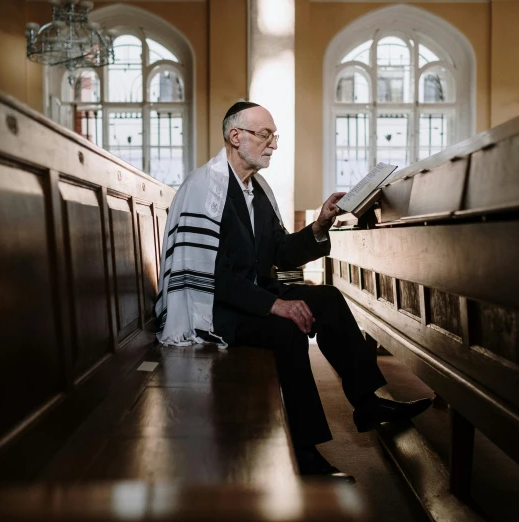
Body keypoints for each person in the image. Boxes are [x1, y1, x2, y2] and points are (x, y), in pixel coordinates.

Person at [155, 101, 432, 483]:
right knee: (286, 331)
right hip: (211, 309)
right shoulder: (205, 187)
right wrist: (275, 305)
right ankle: (305, 452)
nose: (273, 145)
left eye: (274, 136)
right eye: (264, 135)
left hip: (248, 298)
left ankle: (367, 402)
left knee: (329, 299)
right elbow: (209, 275)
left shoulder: (257, 190)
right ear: (236, 137)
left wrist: (320, 225)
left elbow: (280, 253)